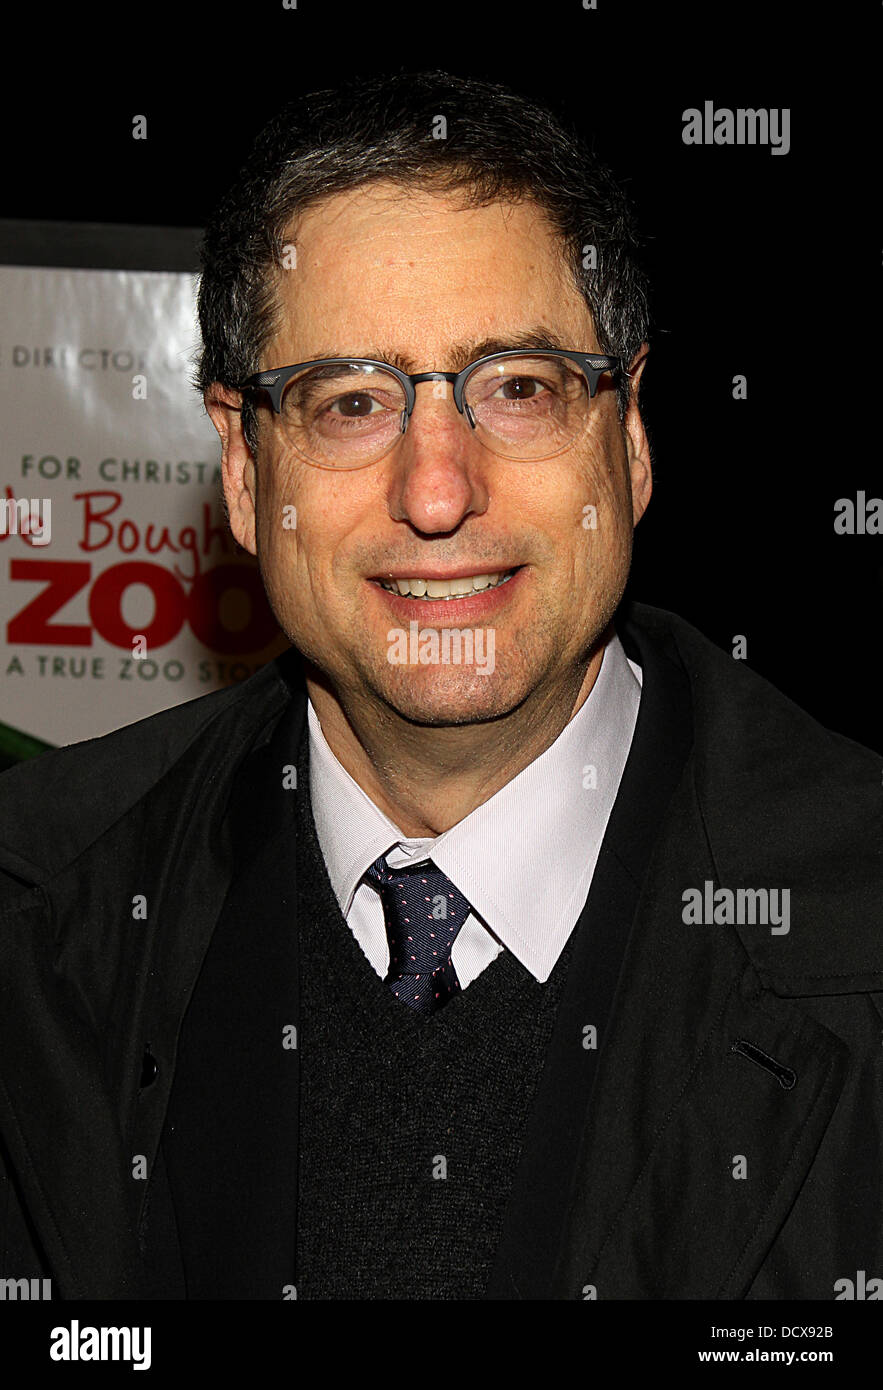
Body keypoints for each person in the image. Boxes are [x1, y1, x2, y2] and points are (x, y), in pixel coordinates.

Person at [0, 70, 880, 1303]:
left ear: (628, 435)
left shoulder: (857, 926)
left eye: (517, 387)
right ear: (244, 470)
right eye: (352, 403)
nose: (435, 491)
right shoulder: (34, 912)